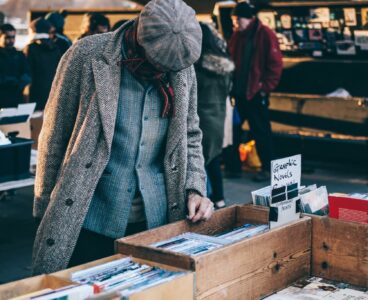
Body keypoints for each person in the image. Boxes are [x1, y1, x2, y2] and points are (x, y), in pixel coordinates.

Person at [32, 0, 214, 275]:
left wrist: (195, 188)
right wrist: (45, 207)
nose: (166, 73)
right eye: (159, 63)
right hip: (88, 216)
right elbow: (54, 133)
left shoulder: (181, 68)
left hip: (157, 221)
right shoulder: (85, 54)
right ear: (140, 40)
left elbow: (190, 133)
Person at [228, 1, 283, 181]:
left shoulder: (265, 34)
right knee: (232, 131)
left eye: (237, 20)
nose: (235, 24)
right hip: (239, 93)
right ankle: (234, 167)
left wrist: (264, 88)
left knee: (261, 133)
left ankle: (268, 169)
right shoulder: (237, 35)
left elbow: (275, 64)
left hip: (255, 93)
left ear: (248, 18)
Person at [196, 22, 234, 209]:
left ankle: (205, 199)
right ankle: (219, 198)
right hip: (219, 117)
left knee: (198, 163)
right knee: (213, 160)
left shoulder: (196, 66)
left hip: (200, 118)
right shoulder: (223, 65)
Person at [24, 18, 62, 111]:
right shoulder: (56, 48)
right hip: (53, 93)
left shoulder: (30, 48)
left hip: (35, 94)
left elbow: (27, 73)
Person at [0, 23, 31, 108]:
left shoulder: (19, 55)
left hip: (16, 99)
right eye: (7, 37)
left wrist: (18, 84)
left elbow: (27, 75)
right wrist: (11, 82)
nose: (11, 40)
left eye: (13, 37)